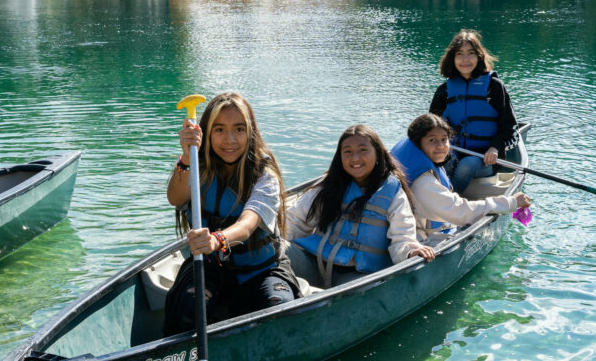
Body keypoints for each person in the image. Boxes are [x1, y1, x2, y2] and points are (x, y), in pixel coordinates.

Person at [164, 92, 299, 335]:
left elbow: (248, 223)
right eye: (219, 130)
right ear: (206, 132)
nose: (230, 140)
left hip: (261, 270)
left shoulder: (264, 173)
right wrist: (185, 157)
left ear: (250, 132)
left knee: (279, 309)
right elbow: (175, 198)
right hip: (208, 267)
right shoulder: (194, 163)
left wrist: (217, 240)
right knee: (188, 310)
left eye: (239, 129)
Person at [286, 124, 435, 288]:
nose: (355, 158)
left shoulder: (393, 194)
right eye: (347, 151)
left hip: (357, 276)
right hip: (315, 263)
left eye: (363, 150)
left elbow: (402, 239)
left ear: (377, 153)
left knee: (353, 290)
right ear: (340, 156)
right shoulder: (329, 185)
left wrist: (411, 251)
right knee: (272, 249)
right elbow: (295, 221)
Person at [390, 113, 530, 236]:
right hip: (422, 240)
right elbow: (462, 212)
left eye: (444, 139)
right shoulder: (423, 182)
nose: (440, 146)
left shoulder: (414, 160)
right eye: (432, 140)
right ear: (417, 143)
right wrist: (510, 202)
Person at [429, 29, 520, 194]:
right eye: (459, 54)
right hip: (452, 154)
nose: (465, 59)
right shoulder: (444, 91)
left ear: (479, 56)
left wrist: (494, 148)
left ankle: (449, 205)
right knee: (440, 164)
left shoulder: (495, 87)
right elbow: (429, 130)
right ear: (452, 58)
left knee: (467, 165)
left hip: (485, 160)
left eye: (470, 53)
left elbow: (512, 132)